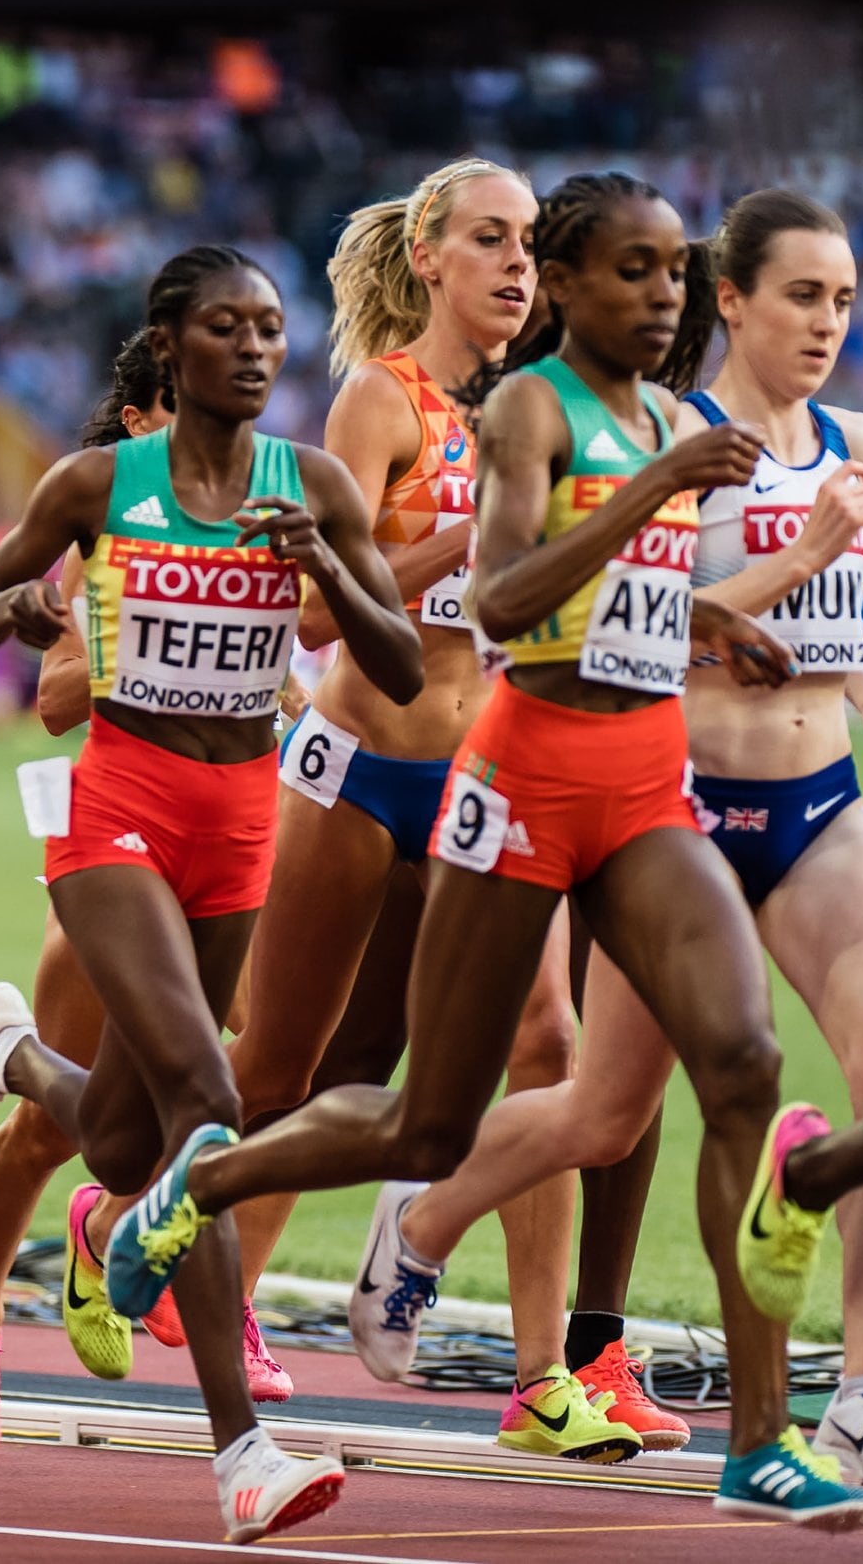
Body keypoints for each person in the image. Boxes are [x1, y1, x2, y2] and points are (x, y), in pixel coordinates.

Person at [104, 174, 863, 1530]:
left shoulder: (660, 418)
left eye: (670, 278)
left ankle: (758, 1439)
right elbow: (515, 594)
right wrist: (653, 486)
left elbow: (633, 593)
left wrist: (719, 621)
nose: (660, 299)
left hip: (644, 787)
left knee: (741, 1062)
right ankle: (204, 1176)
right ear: (574, 289)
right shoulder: (532, 410)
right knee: (425, 1118)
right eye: (630, 273)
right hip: (519, 782)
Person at [340, 189, 863, 1496]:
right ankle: (425, 1214)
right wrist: (801, 558)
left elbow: (822, 625)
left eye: (843, 298)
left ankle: (860, 1392)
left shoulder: (861, 437)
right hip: (679, 810)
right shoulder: (670, 436)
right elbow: (635, 626)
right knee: (606, 1110)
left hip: (819, 803)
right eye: (801, 296)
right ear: (731, 300)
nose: (828, 322)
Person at [0, 244, 423, 1539]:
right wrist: (30, 605)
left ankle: (16, 1058)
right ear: (168, 345)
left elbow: (405, 667)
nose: (257, 349)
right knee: (212, 1096)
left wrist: (326, 562)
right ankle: (239, 1453)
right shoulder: (102, 482)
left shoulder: (309, 484)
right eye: (227, 327)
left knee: (130, 1146)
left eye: (270, 328)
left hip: (241, 824)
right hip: (120, 812)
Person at [210, 161, 647, 1461]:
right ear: (433, 257)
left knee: (546, 1045)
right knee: (289, 1063)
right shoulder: (380, 399)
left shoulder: (548, 407)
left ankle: (539, 1376)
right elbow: (305, 602)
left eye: (531, 245)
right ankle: (165, 1221)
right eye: (491, 241)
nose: (518, 265)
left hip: (494, 774)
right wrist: (461, 549)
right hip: (360, 764)